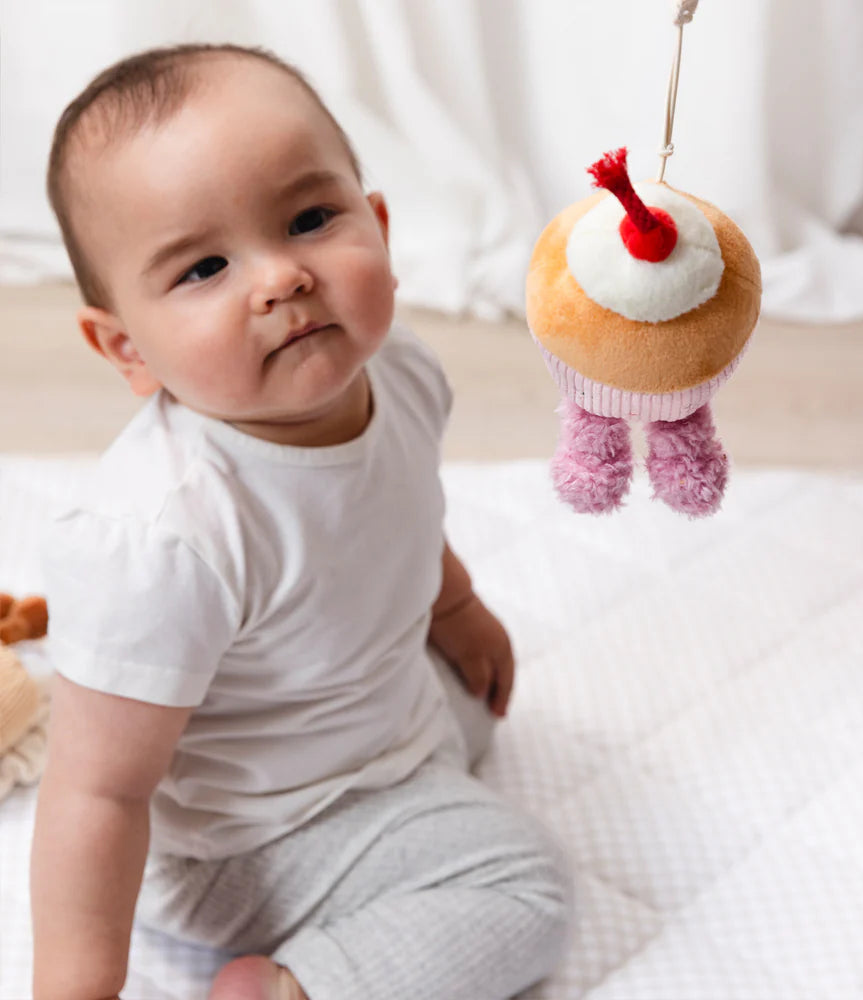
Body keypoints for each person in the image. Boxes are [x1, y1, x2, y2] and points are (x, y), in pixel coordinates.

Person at [31, 43, 573, 1000]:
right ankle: (292, 986)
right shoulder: (170, 533)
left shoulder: (399, 372)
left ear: (383, 228)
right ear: (127, 348)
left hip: (371, 713)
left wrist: (456, 610)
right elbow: (98, 796)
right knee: (522, 883)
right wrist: (77, 989)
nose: (280, 278)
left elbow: (396, 512)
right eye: (204, 267)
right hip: (241, 841)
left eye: (312, 219)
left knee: (475, 714)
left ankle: (415, 799)